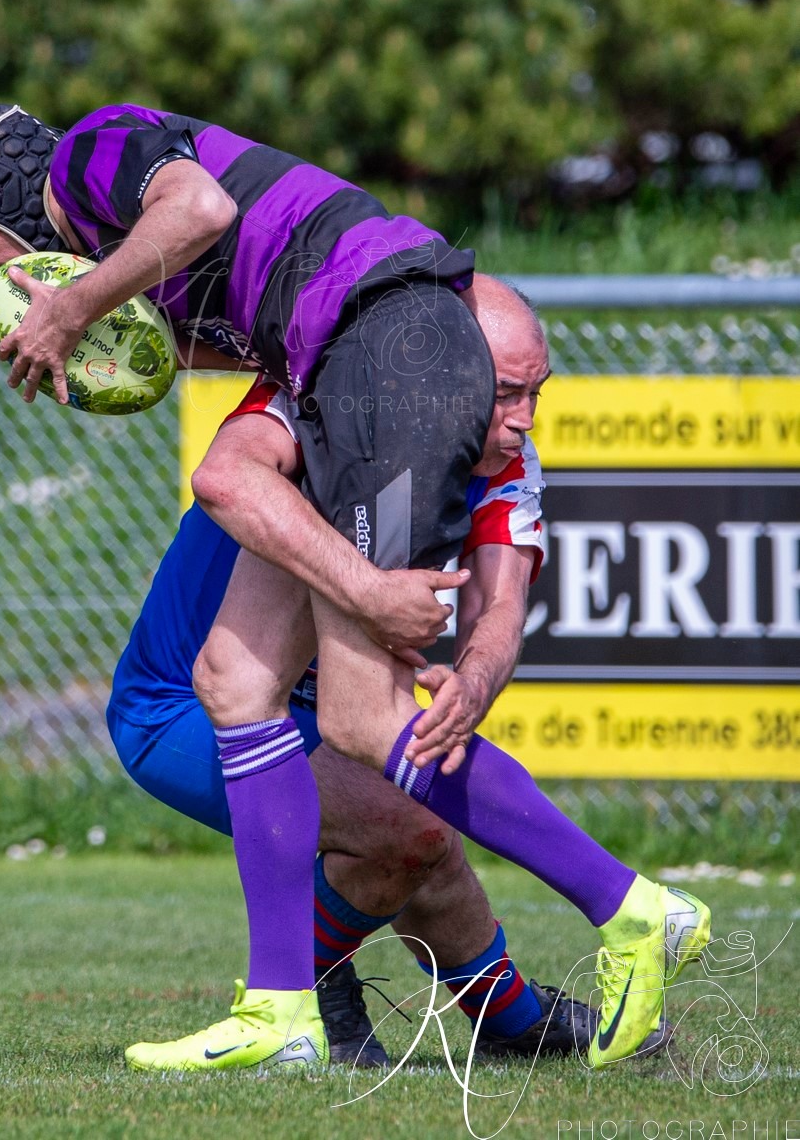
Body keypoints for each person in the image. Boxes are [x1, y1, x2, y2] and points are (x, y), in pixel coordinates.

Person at [0, 102, 710, 1072]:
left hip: (373, 353)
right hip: (348, 359)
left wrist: (71, 306)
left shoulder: (93, 151)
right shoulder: (301, 317)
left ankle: (632, 909)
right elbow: (212, 359)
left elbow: (201, 207)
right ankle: (286, 1009)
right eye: (509, 390)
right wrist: (117, 325)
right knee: (238, 679)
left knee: (363, 716)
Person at [110, 373, 669, 1069]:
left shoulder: (504, 462)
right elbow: (223, 473)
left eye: (537, 392)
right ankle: (312, 991)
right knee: (409, 831)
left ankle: (511, 1023)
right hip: (184, 707)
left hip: (310, 702)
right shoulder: (325, 397)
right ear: (448, 371)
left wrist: (473, 678)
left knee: (426, 848)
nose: (523, 419)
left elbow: (500, 609)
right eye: (505, 392)